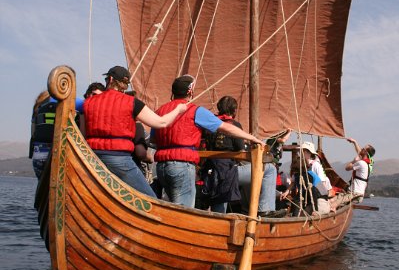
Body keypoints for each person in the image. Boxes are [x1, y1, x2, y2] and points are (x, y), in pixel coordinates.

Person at [153, 77, 271, 210]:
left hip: (161, 167)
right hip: (182, 165)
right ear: (190, 92)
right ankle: (263, 210)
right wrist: (252, 138)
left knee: (173, 206)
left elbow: (153, 139)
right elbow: (226, 128)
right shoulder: (195, 111)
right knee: (183, 210)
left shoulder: (160, 111)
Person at [82, 65, 187, 198]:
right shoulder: (132, 103)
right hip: (119, 159)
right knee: (150, 199)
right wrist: (178, 110)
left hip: (92, 159)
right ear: (125, 85)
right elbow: (161, 123)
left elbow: (83, 135)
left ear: (110, 79)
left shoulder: (88, 103)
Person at [200, 95, 246, 213]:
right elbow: (241, 153)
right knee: (269, 170)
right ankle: (261, 209)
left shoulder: (209, 125)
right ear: (234, 110)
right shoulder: (234, 125)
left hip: (209, 169)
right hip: (227, 169)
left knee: (217, 197)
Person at [29, 89, 84, 179]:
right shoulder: (72, 101)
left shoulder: (38, 108)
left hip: (38, 155)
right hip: (58, 153)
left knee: (43, 184)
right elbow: (86, 106)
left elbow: (33, 132)